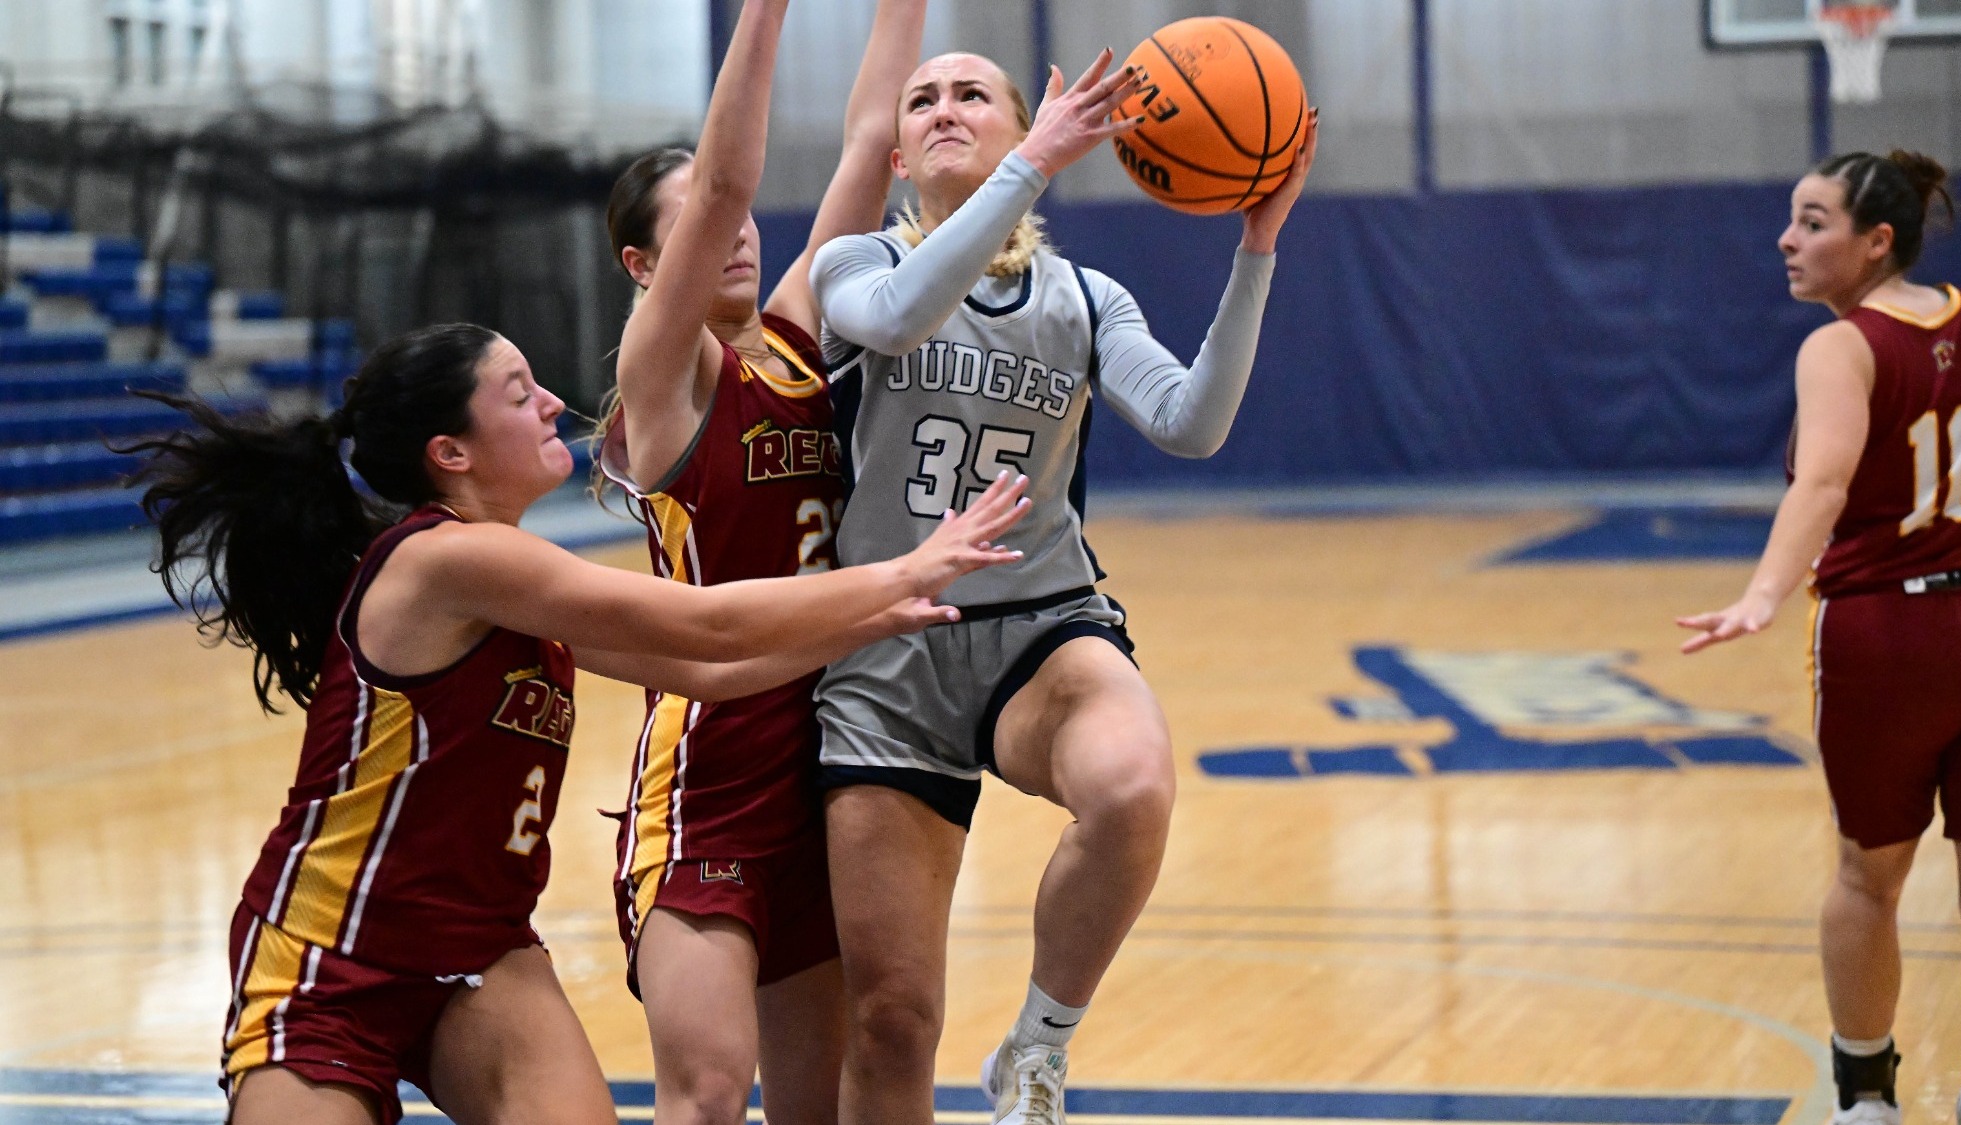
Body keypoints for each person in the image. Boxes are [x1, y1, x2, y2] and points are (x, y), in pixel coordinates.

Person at [122, 322, 1029, 1125]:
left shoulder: (507, 573)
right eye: (520, 393)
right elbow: (705, 621)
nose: (554, 399)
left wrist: (876, 616)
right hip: (331, 957)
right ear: (453, 452)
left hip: (479, 953)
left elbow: (713, 669)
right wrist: (905, 570)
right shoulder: (446, 562)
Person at [807, 47, 1319, 1125]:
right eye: (924, 99)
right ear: (896, 151)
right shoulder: (849, 266)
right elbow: (899, 319)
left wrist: (1257, 248)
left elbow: (1192, 423)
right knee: (891, 1018)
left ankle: (1037, 1049)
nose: (947, 109)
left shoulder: (1085, 299)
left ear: (1015, 125)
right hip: (883, 645)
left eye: (973, 94)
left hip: (1040, 627)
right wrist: (1033, 162)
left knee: (1132, 786)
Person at [595, 0, 926, 1118]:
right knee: (704, 1094)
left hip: (830, 759)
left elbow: (873, 148)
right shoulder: (667, 370)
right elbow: (733, 185)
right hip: (711, 770)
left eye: (727, 217)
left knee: (812, 1102)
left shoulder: (794, 335)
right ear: (646, 264)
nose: (731, 231)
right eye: (692, 225)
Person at [1678, 150, 1961, 1125]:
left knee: (1867, 875)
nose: (1786, 238)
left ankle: (1864, 1094)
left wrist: (1763, 593)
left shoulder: (1840, 347)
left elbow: (1819, 485)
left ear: (1874, 242)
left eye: (1811, 222)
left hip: (1882, 638)